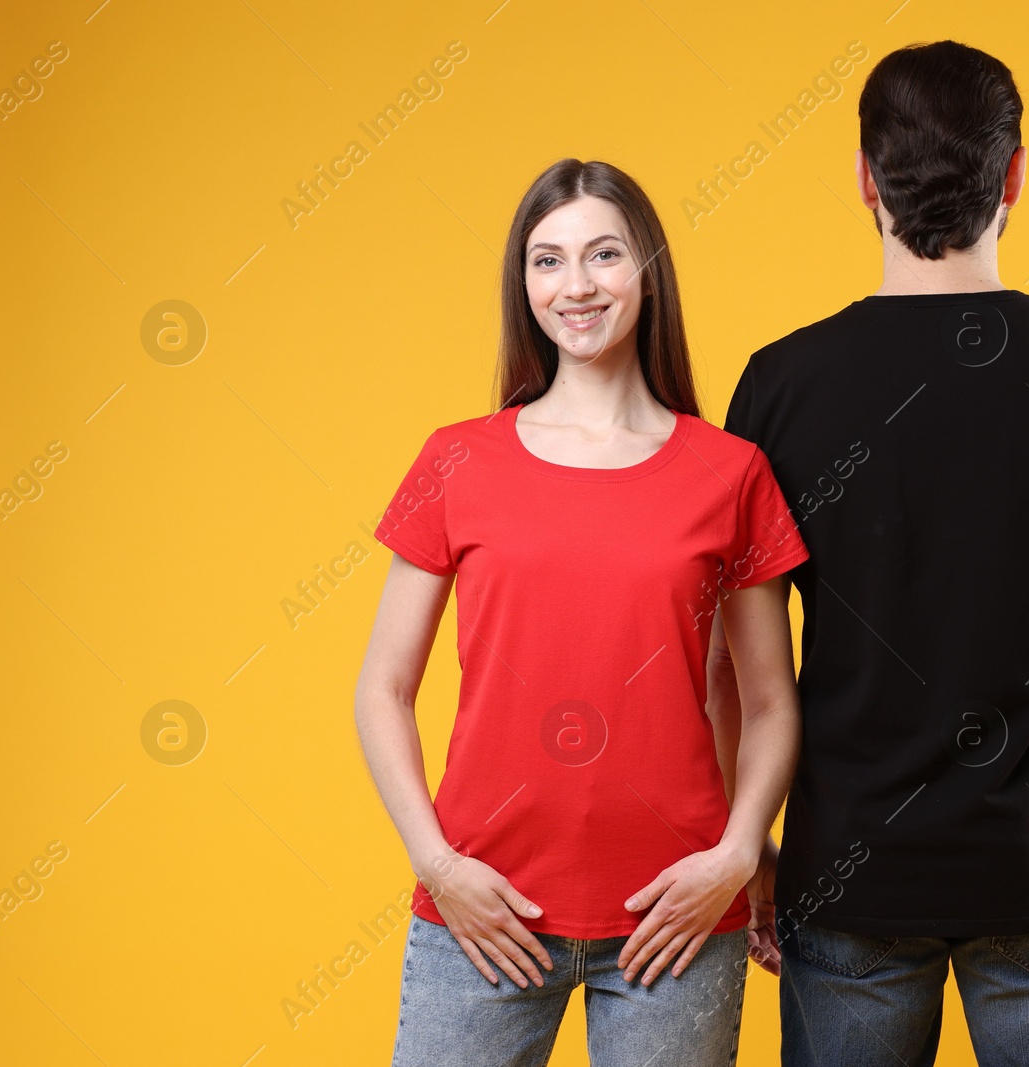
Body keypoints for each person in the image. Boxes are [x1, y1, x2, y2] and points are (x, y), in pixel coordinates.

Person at [712, 41, 1029, 1066]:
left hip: (846, 877)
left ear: (864, 180)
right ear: (1015, 175)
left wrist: (752, 845)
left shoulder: (779, 385)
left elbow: (732, 661)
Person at [354, 158, 809, 1067]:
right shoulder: (456, 460)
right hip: (482, 909)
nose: (577, 285)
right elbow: (383, 686)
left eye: (603, 255)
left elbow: (770, 702)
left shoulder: (731, 472)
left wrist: (732, 860)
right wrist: (440, 867)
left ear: (646, 270)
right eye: (547, 260)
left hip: (673, 921)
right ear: (523, 286)